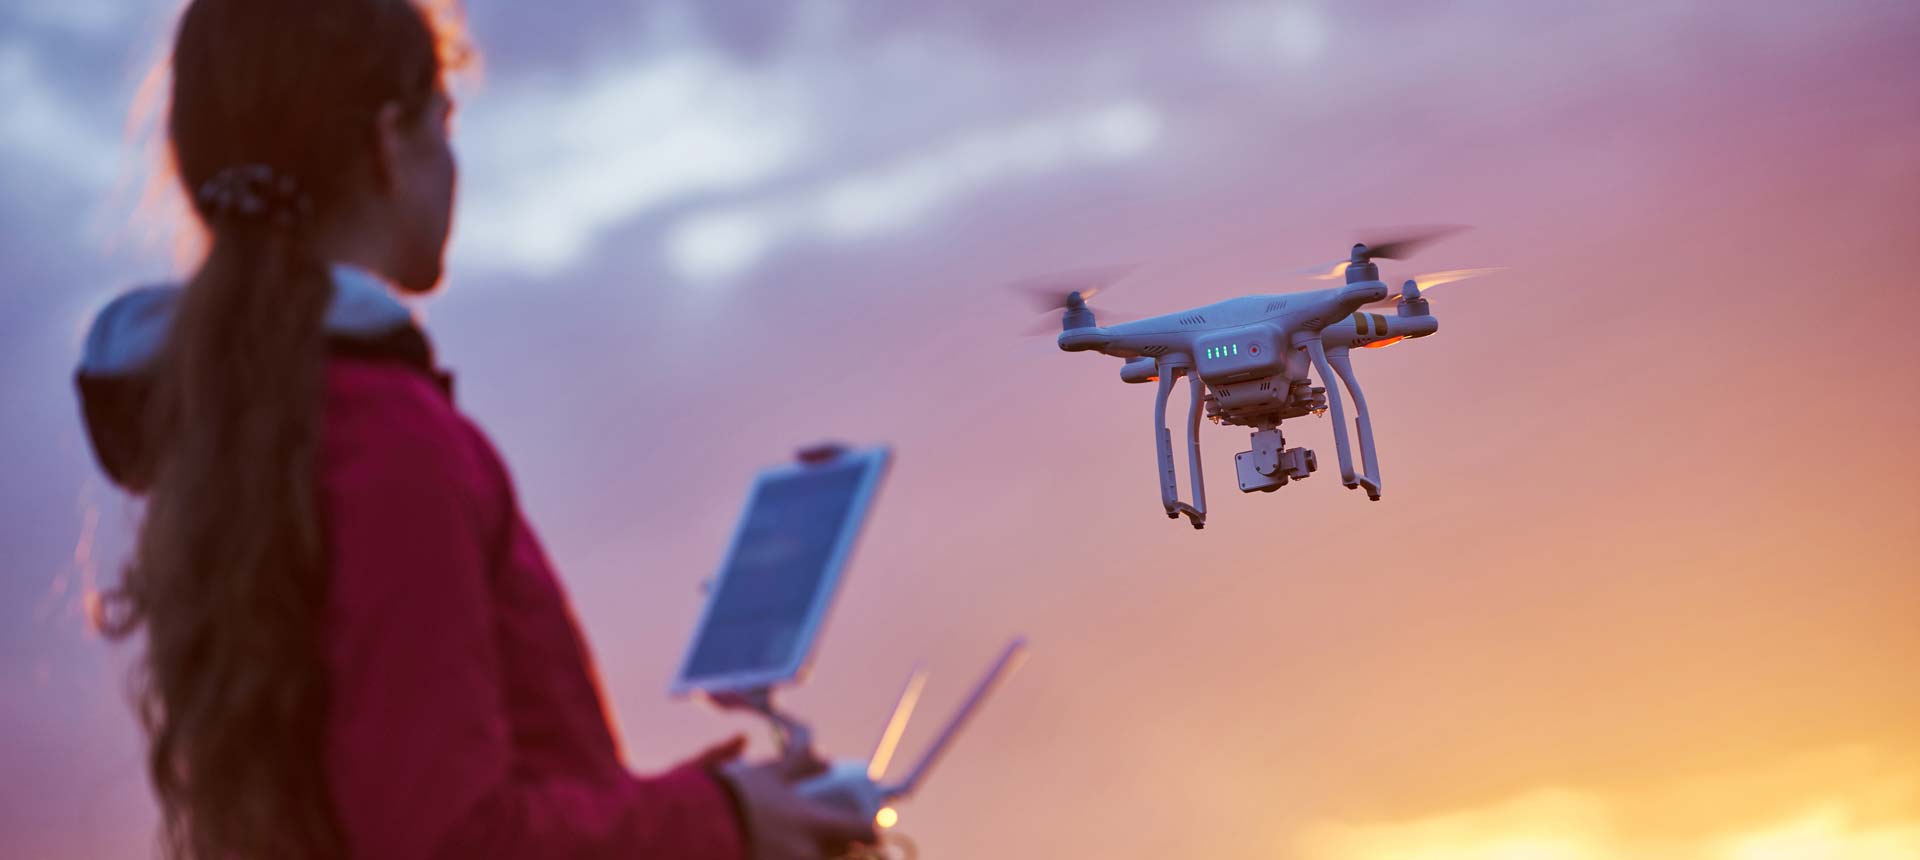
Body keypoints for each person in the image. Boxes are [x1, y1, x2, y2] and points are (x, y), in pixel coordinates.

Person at [71, 1, 876, 857]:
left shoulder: (244, 429)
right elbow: (451, 838)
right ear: (390, 144)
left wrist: (722, 809)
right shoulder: (389, 441)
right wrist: (721, 819)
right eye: (445, 121)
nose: (455, 163)